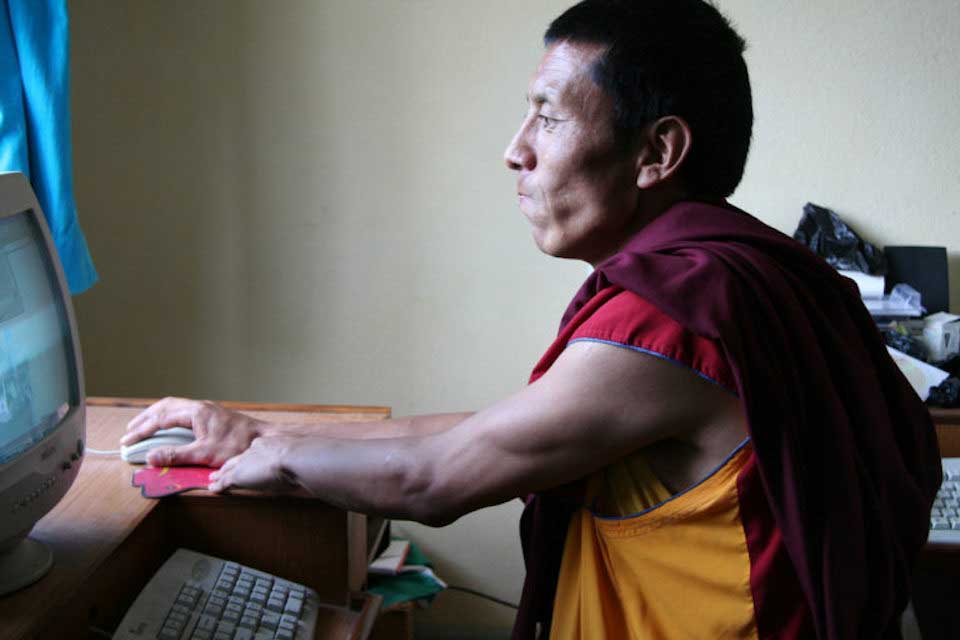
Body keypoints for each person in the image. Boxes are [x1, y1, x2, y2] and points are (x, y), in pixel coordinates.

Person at [120, 1, 941, 638]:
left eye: (547, 117)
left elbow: (434, 477)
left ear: (658, 152)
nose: (516, 150)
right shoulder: (749, 274)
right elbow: (484, 432)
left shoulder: (677, 319)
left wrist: (270, 458)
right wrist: (250, 429)